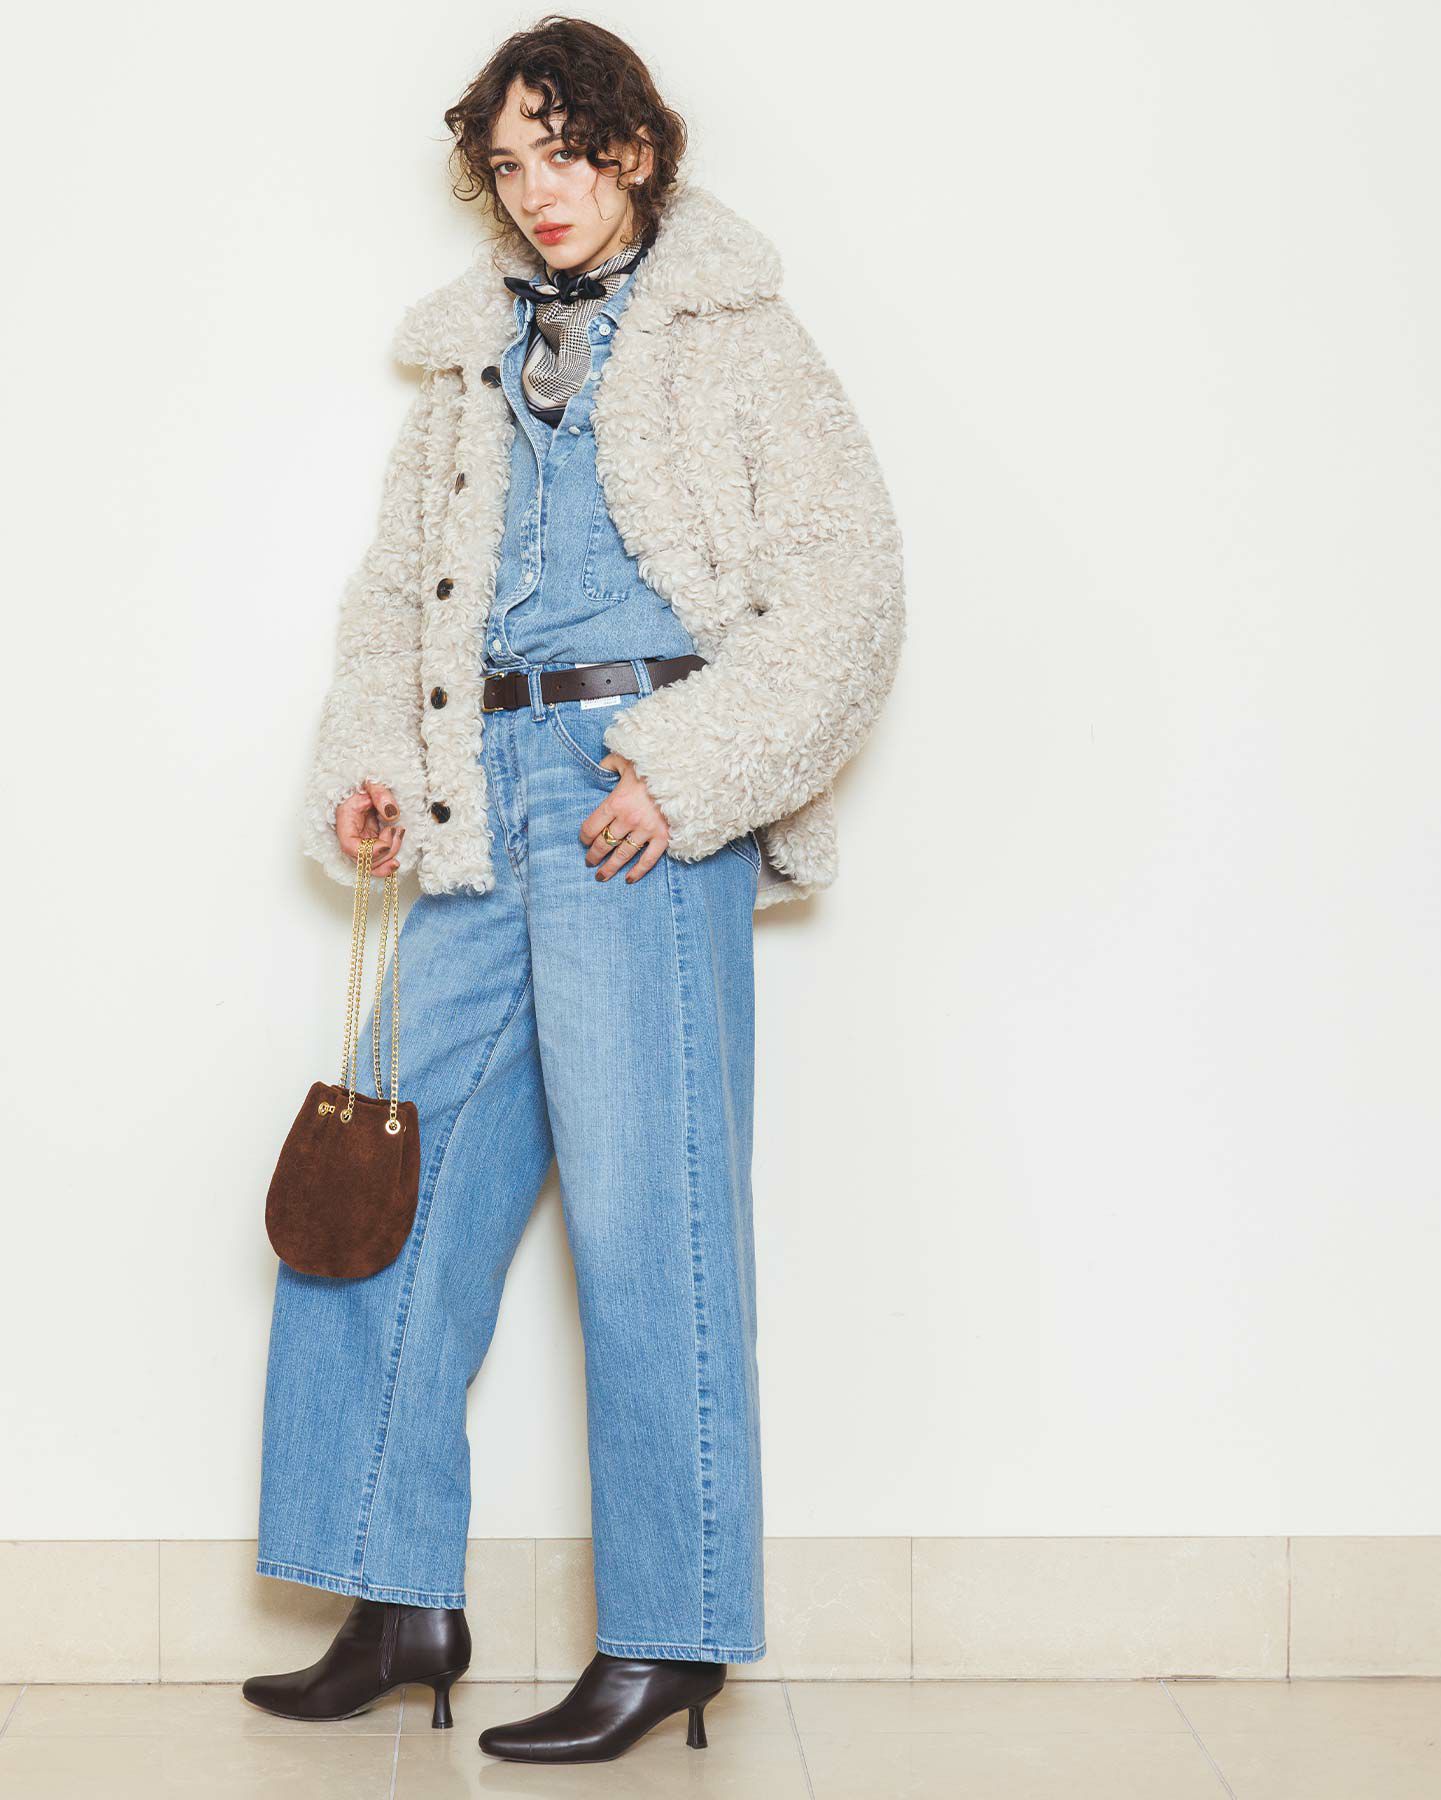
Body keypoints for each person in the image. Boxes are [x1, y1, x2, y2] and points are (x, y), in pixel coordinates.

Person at [242, 13, 904, 1765]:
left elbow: (850, 591)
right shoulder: (468, 365)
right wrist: (373, 768)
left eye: (568, 151)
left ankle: (673, 1635)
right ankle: (394, 1596)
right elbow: (395, 600)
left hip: (634, 796)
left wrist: (685, 775)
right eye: (509, 165)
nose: (539, 191)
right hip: (476, 799)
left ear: (638, 149)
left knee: (647, 1218)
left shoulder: (741, 340)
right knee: (370, 1185)